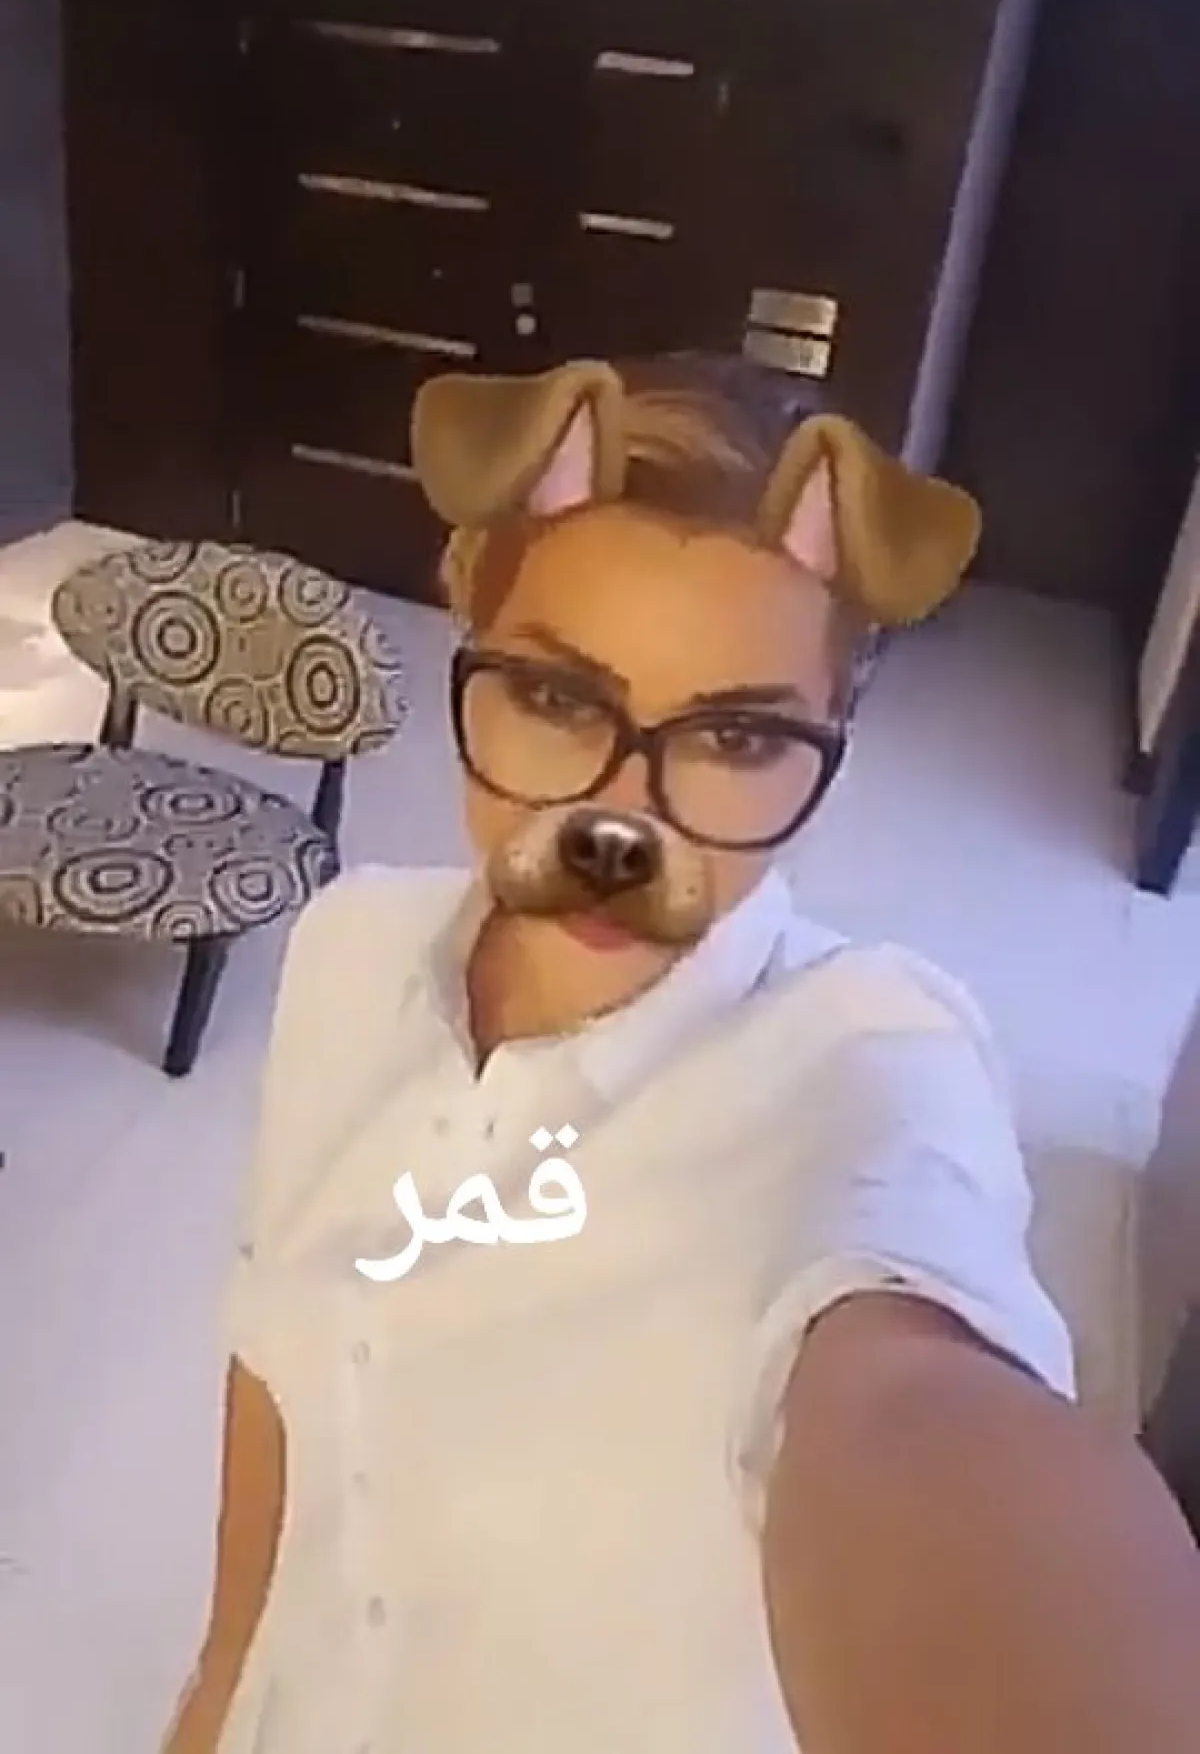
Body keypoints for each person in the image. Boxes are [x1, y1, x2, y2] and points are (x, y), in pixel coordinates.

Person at [166, 355, 1200, 1754]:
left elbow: (917, 1411)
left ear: (834, 734)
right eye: (554, 697)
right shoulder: (349, 952)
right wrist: (211, 1700)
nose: (622, 819)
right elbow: (277, 1394)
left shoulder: (870, 1065)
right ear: (467, 628)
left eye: (735, 735)